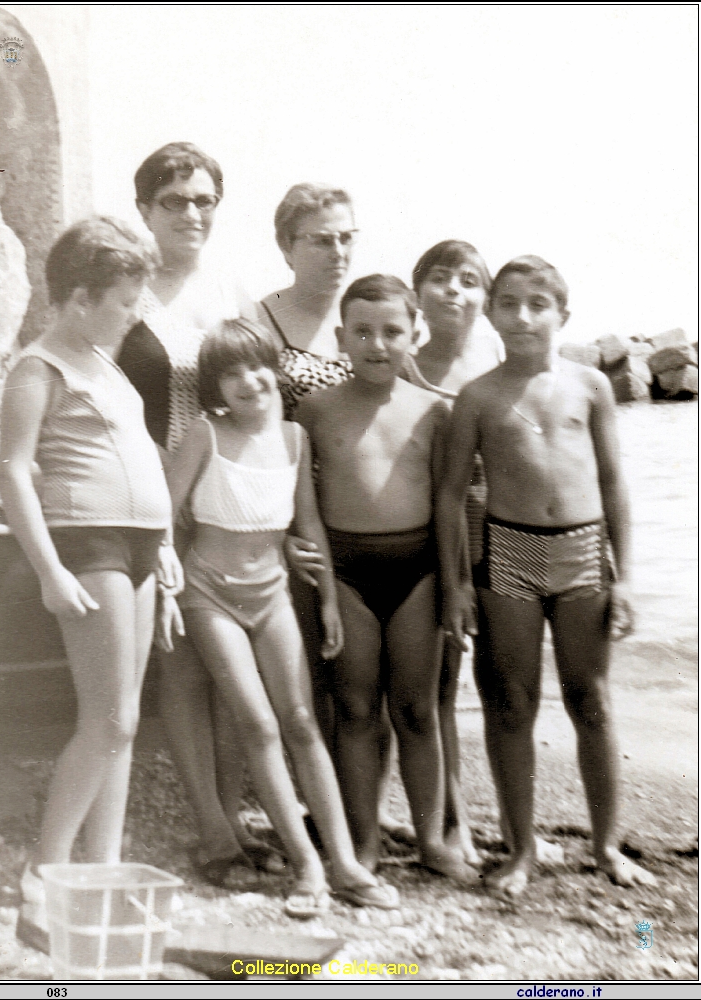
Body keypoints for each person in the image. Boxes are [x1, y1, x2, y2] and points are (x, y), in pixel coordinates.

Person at [160, 318, 399, 917]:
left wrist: (324, 600)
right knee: (259, 725)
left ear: (276, 369)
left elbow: (308, 523)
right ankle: (308, 866)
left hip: (272, 592)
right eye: (230, 373)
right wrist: (166, 579)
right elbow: (165, 514)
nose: (248, 381)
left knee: (299, 720)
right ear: (215, 387)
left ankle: (343, 863)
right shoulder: (204, 433)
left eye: (256, 366)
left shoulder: (294, 438)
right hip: (209, 594)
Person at [437, 255, 657, 896]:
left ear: (564, 313)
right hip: (509, 554)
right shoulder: (477, 397)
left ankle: (607, 846)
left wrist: (626, 575)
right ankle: (520, 851)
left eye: (538, 303)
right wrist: (456, 582)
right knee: (512, 705)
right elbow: (451, 494)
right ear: (491, 312)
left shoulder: (591, 387)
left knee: (591, 699)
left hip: (585, 551)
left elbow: (614, 483)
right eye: (509, 303)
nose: (523, 315)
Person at [0, 218, 175, 940]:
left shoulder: (109, 366)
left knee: (123, 722)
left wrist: (162, 545)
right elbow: (14, 471)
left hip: (136, 547)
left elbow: (136, 456)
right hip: (87, 544)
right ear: (77, 298)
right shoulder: (40, 367)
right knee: (107, 717)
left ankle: (102, 872)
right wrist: (47, 569)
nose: (134, 314)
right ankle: (42, 877)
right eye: (124, 301)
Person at [117, 142, 279, 887]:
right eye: (175, 200)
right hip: (148, 495)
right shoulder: (125, 289)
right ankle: (213, 832)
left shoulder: (231, 292)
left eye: (204, 199)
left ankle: (238, 815)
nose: (192, 213)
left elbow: (266, 392)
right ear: (145, 207)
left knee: (229, 666)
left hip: (221, 501)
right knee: (182, 666)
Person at [258, 184, 410, 846]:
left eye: (347, 237)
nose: (338, 250)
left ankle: (370, 813)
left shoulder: (366, 317)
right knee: (319, 682)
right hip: (294, 524)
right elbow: (253, 433)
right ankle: (327, 814)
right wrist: (278, 535)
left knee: (378, 683)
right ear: (287, 244)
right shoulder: (261, 324)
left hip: (366, 524)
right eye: (321, 238)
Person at [298, 274, 463, 877]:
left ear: (414, 335)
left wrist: (454, 587)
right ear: (340, 337)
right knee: (356, 708)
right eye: (362, 331)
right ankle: (363, 844)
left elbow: (450, 508)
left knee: (418, 710)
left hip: (417, 572)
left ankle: (433, 842)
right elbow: (301, 502)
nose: (377, 343)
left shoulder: (434, 413)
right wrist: (319, 588)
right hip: (346, 572)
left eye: (392, 331)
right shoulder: (314, 411)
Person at [402, 240, 504, 867]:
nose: (454, 291)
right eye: (439, 279)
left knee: (503, 679)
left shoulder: (499, 361)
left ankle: (512, 822)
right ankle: (452, 818)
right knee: (440, 680)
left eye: (469, 281)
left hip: (508, 531)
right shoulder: (404, 367)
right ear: (418, 293)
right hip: (441, 533)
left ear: (486, 299)